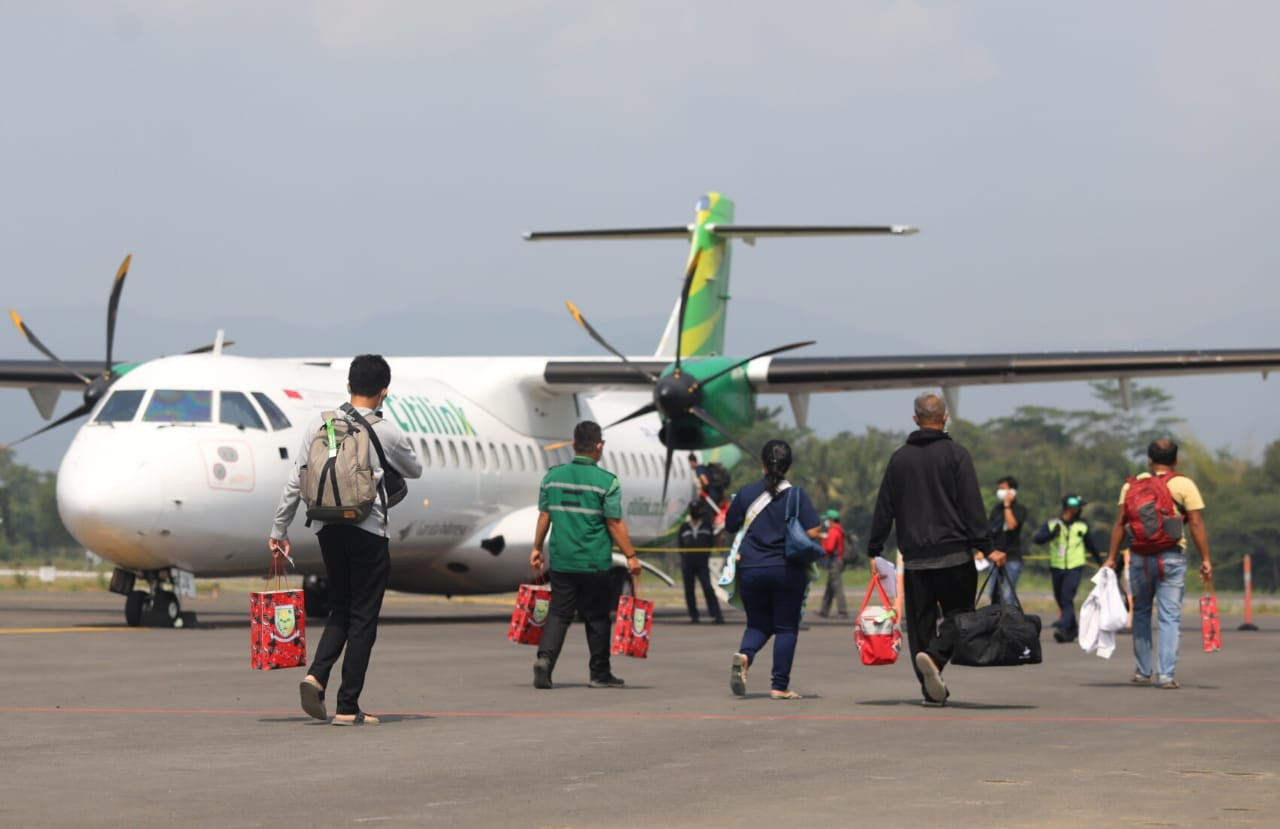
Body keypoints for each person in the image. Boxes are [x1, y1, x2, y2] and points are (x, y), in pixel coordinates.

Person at [269, 354, 423, 726]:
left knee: (340, 608)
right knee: (364, 618)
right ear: (384, 391)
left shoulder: (320, 424)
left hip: (326, 528)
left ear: (349, 386)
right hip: (368, 531)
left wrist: (279, 529)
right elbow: (415, 469)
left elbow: (297, 479)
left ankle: (316, 674)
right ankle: (348, 706)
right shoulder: (386, 431)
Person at [867, 391, 1006, 706]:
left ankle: (928, 689)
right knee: (961, 616)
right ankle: (936, 655)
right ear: (945, 418)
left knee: (920, 625)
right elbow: (972, 506)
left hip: (915, 560)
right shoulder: (957, 455)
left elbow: (884, 507)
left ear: (915, 419)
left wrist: (874, 548)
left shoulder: (899, 458)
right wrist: (987, 546)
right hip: (955, 555)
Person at [530, 421, 642, 690]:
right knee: (597, 616)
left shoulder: (551, 477)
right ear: (599, 446)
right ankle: (599, 673)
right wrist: (631, 556)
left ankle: (545, 660)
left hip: (562, 560)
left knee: (559, 613)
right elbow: (614, 523)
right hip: (594, 562)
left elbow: (545, 515)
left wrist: (537, 548)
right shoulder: (607, 482)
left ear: (573, 445)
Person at [1102, 439, 1212, 690]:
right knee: (1169, 617)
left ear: (1149, 460)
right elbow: (1195, 522)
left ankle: (1142, 671)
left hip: (1139, 557)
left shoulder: (1132, 485)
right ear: (1176, 460)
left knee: (1140, 612)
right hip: (1171, 556)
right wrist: (1205, 559)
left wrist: (1111, 556)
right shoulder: (1183, 484)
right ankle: (1165, 674)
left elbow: (1120, 523)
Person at [724, 439, 821, 700]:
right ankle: (779, 686)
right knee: (786, 628)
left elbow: (730, 525)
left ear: (763, 464)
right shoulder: (797, 495)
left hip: (751, 569)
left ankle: (745, 655)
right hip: (787, 569)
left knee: (757, 623)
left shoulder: (746, 493)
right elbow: (813, 530)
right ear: (788, 465)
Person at [1033, 494, 1101, 643]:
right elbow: (1037, 539)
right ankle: (1072, 629)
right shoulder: (1053, 524)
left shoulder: (1082, 525)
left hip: (1075, 566)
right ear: (1068, 507)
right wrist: (1052, 535)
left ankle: (1063, 628)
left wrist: (1101, 563)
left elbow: (1091, 546)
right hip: (1057, 566)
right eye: (1077, 507)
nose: (1078, 510)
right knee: (1061, 599)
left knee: (1066, 597)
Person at [679, 499, 724, 624]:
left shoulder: (706, 526)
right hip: (688, 563)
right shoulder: (684, 528)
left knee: (708, 588)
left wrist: (705, 555)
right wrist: (684, 558)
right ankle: (694, 615)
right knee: (689, 590)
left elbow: (710, 543)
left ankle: (716, 614)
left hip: (702, 563)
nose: (694, 511)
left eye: (696, 509)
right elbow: (680, 545)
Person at [986, 475, 1028, 604]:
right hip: (995, 555)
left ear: (1012, 491)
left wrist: (1007, 506)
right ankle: (996, 620)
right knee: (993, 592)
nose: (1000, 492)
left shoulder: (1019, 509)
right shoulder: (996, 509)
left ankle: (1010, 621)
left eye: (1003, 489)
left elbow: (1011, 525)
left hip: (1012, 557)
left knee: (1008, 593)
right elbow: (990, 531)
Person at [817, 509, 848, 618]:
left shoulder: (833, 531)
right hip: (837, 561)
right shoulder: (839, 530)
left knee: (836, 587)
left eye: (827, 520)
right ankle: (824, 610)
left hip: (835, 562)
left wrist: (821, 546)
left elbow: (829, 548)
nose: (826, 522)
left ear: (831, 520)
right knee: (830, 587)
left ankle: (842, 611)